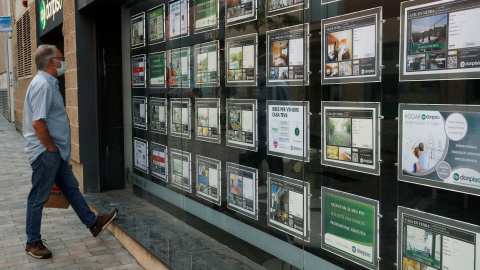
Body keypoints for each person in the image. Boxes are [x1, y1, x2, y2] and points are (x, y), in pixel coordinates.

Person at [23, 44, 118, 259]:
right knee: (38, 197)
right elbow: (38, 123)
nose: (63, 61)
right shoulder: (42, 86)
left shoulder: (48, 83)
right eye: (60, 57)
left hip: (54, 153)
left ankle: (94, 223)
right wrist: (51, 148)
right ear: (51, 62)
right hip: (46, 153)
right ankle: (32, 242)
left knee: (72, 188)